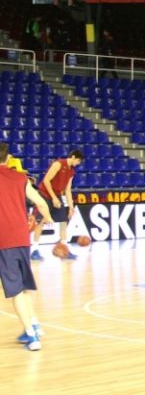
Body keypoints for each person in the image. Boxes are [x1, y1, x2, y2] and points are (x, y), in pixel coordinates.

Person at [0, 142, 55, 351]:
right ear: (8, 159)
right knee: (24, 287)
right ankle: (34, 325)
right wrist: (48, 217)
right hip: (22, 237)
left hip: (3, 239)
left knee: (15, 291)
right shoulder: (20, 178)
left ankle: (32, 337)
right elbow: (40, 202)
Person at [34, 149, 85, 261]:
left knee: (63, 222)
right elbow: (46, 180)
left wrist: (71, 207)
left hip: (57, 196)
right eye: (78, 161)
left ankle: (65, 249)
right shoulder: (58, 164)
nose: (78, 163)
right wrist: (53, 198)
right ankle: (34, 250)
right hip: (44, 195)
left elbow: (68, 190)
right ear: (73, 157)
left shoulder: (71, 172)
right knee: (40, 222)